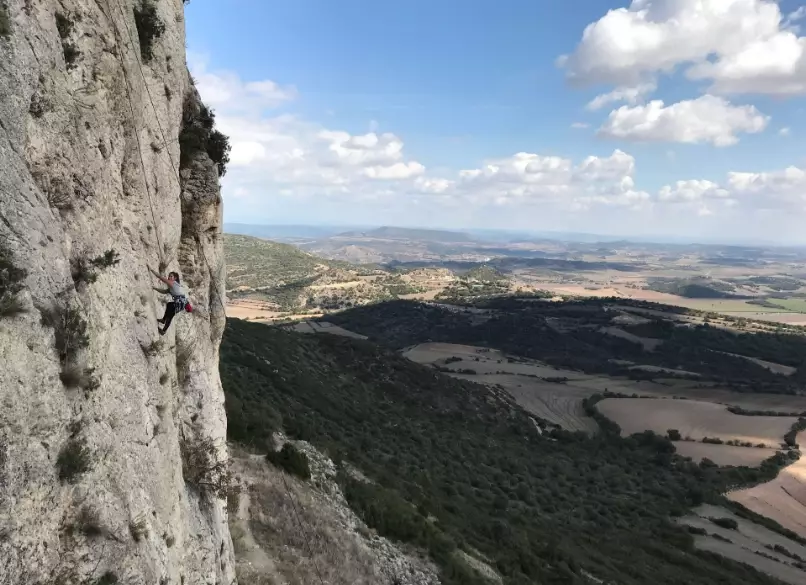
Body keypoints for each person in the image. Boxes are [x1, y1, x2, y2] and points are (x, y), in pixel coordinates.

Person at [150, 267, 190, 335]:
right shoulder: (173, 286)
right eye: (169, 276)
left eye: (171, 276)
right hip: (180, 303)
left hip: (180, 303)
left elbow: (160, 277)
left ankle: (164, 331)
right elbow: (164, 291)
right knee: (169, 305)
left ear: (175, 278)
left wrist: (151, 270)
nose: (169, 277)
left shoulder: (173, 283)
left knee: (170, 315)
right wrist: (155, 288)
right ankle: (163, 320)